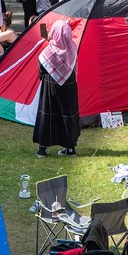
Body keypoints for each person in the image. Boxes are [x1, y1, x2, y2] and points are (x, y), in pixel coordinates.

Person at [33, 20, 80, 157]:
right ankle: (70, 148)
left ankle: (42, 149)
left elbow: (41, 72)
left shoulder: (47, 52)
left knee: (47, 115)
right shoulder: (72, 47)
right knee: (68, 115)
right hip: (69, 86)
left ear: (53, 33)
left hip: (50, 88)